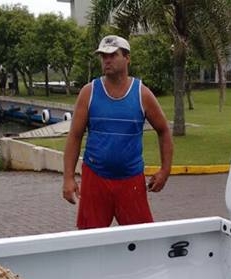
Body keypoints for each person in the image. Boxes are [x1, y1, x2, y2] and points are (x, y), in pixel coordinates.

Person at [62, 35, 173, 229]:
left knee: (140, 238)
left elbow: (163, 131)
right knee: (91, 239)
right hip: (95, 178)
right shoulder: (89, 92)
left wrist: (165, 170)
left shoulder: (142, 94)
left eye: (113, 55)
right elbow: (75, 137)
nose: (107, 60)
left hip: (131, 179)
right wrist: (68, 178)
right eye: (103, 56)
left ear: (127, 58)